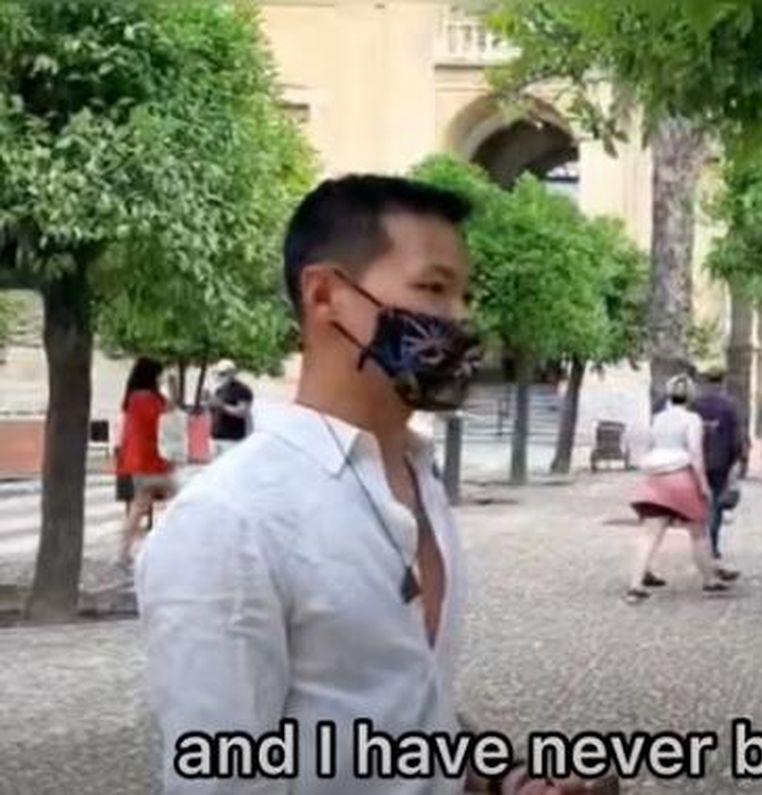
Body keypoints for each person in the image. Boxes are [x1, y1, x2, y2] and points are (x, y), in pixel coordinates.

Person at [137, 176, 601, 795]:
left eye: (465, 296)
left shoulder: (418, 480)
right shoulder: (229, 522)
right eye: (434, 289)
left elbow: (399, 706)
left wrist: (498, 780)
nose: (460, 320)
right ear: (326, 294)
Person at [627, 374, 740, 603]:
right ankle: (709, 580)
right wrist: (703, 486)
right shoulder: (692, 419)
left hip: (656, 477)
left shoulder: (657, 419)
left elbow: (647, 445)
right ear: (691, 396)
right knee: (698, 532)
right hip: (681, 478)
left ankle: (635, 584)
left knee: (649, 535)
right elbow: (696, 454)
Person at [115, 357, 176, 569]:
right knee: (181, 498)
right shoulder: (147, 398)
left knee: (139, 506)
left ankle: (123, 553)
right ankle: (170, 547)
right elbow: (167, 415)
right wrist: (171, 388)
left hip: (137, 459)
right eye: (158, 374)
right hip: (151, 458)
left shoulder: (132, 397)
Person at [690, 367, 747, 560]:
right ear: (723, 381)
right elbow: (737, 437)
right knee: (716, 503)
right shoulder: (729, 405)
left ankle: (700, 541)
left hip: (698, 460)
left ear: (705, 381)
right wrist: (738, 459)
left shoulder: (695, 404)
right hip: (721, 461)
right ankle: (712, 543)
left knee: (701, 502)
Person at [206, 358, 254, 458]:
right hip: (216, 437)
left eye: (223, 374)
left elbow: (243, 412)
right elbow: (214, 411)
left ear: (232, 373)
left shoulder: (242, 390)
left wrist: (222, 406)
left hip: (232, 439)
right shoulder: (220, 390)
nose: (220, 376)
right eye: (219, 373)